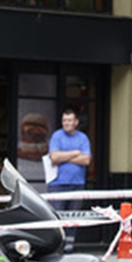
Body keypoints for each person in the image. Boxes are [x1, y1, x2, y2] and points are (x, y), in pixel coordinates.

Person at [46, 108, 92, 252]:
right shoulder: (56, 136)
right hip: (57, 184)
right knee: (58, 218)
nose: (66, 123)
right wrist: (74, 153)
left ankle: (69, 248)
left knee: (73, 218)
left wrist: (63, 157)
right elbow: (54, 157)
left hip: (77, 184)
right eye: (64, 120)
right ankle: (57, 247)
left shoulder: (83, 138)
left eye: (69, 120)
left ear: (76, 122)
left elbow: (86, 160)